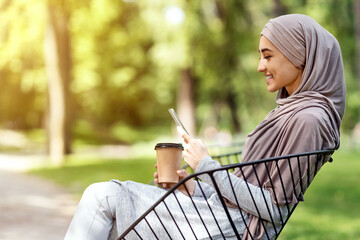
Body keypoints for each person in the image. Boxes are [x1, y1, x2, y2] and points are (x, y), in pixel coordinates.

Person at [64, 14, 346, 240]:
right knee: (109, 222)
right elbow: (245, 191)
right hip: (220, 215)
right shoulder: (292, 111)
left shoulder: (310, 119)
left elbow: (274, 209)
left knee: (101, 198)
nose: (260, 66)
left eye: (268, 56)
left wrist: (205, 166)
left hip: (228, 227)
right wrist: (193, 189)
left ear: (299, 55)